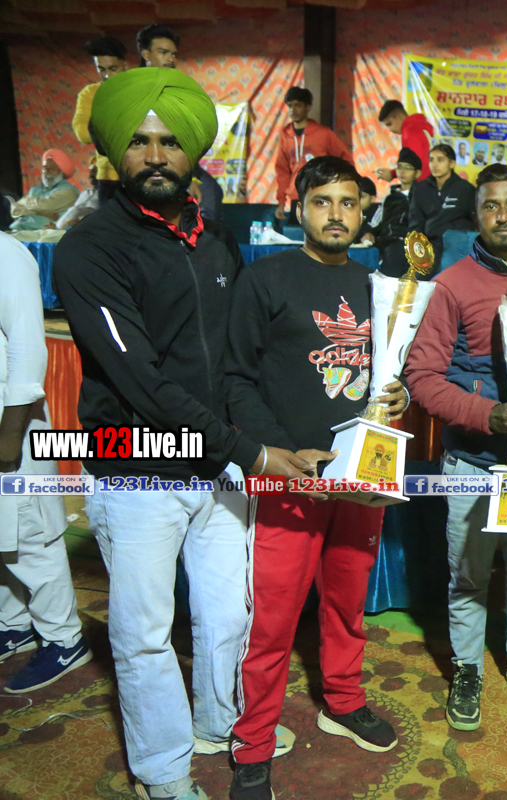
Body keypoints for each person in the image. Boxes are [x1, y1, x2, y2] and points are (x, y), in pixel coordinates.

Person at [52, 68, 312, 800]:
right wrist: (251, 452)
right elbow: (140, 382)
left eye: (170, 141)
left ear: (193, 151)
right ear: (114, 151)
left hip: (219, 465)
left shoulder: (215, 240)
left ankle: (218, 721)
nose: (156, 156)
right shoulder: (89, 249)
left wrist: (259, 437)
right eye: (139, 141)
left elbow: (233, 362)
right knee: (143, 632)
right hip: (139, 468)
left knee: (227, 614)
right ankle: (163, 771)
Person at [224, 156, 409, 800]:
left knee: (348, 601)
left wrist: (400, 396)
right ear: (299, 208)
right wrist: (277, 453)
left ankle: (344, 700)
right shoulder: (265, 278)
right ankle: (253, 742)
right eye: (323, 201)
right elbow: (235, 379)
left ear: (363, 212)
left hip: (361, 477)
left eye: (348, 203)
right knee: (273, 620)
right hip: (289, 478)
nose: (336, 214)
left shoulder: (378, 285)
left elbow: (390, 370)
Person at [405, 163, 507, 733]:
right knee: (470, 577)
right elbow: (422, 378)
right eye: (491, 205)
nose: (503, 215)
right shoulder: (451, 284)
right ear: (476, 215)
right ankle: (468, 667)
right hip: (474, 462)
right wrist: (487, 415)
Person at [0, 232, 92, 694]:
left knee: (31, 533)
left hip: (10, 424)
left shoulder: (5, 253)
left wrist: (9, 437)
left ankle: (64, 638)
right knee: (2, 533)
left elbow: (28, 350)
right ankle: (14, 625)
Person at [274, 86, 353, 224]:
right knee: (296, 236)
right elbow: (282, 172)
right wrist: (281, 202)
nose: (293, 110)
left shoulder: (324, 134)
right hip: (296, 198)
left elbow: (346, 161)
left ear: (308, 107)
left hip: (321, 196)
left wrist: (339, 189)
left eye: (298, 105)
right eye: (290, 106)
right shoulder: (285, 137)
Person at [403, 143, 475, 273]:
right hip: (429, 243)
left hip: (455, 243)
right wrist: (418, 245)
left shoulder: (466, 189)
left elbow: (474, 221)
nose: (434, 165)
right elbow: (415, 221)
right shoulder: (420, 188)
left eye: (440, 160)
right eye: (431, 160)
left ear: (452, 163)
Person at [73, 36, 128, 203]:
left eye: (113, 68)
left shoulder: (140, 92)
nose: (107, 75)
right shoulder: (90, 94)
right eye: (101, 69)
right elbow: (83, 134)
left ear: (125, 65)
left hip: (141, 174)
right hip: (108, 179)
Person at [373, 147, 422, 266]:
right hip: (387, 242)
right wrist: (368, 233)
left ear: (417, 173)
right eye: (399, 167)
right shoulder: (390, 198)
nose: (402, 172)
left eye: (408, 168)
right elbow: (380, 224)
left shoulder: (423, 196)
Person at [9, 150, 79, 231]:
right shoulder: (35, 190)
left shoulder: (69, 191)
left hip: (45, 234)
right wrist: (41, 213)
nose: (47, 171)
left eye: (52, 168)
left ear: (62, 173)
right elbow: (14, 210)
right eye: (45, 168)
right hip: (19, 229)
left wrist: (25, 203)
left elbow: (45, 205)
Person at [376, 100, 433, 182]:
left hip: (421, 184)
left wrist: (392, 174)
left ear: (399, 116)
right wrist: (393, 173)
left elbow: (415, 164)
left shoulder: (410, 130)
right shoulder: (418, 126)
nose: (390, 129)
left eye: (389, 124)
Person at [57, 158, 102, 230]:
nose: (90, 175)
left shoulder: (108, 194)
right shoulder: (86, 193)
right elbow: (73, 210)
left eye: (94, 171)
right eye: (90, 171)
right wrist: (57, 225)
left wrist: (79, 220)